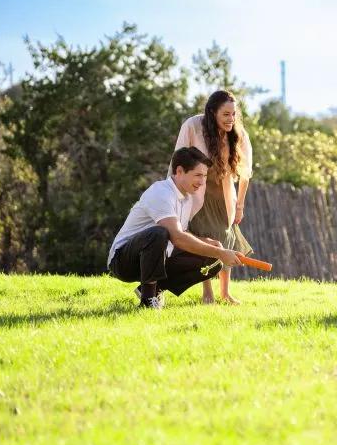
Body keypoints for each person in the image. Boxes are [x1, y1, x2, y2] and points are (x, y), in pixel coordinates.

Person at [108, 146, 243, 309]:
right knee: (159, 233)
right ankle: (148, 300)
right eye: (198, 175)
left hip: (157, 258)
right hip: (124, 261)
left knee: (213, 261)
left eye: (205, 176)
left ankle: (155, 288)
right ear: (179, 171)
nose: (202, 182)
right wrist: (221, 252)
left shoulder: (187, 198)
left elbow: (181, 233)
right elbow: (177, 237)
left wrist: (209, 245)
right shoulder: (161, 193)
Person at [171, 90, 253, 305]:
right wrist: (176, 194)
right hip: (197, 192)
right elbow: (178, 160)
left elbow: (246, 172)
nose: (231, 119)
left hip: (223, 195)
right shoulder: (193, 125)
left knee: (226, 238)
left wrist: (241, 204)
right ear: (212, 112)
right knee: (204, 238)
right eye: (226, 114)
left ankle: (225, 293)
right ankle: (207, 292)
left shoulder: (238, 134)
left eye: (234, 114)